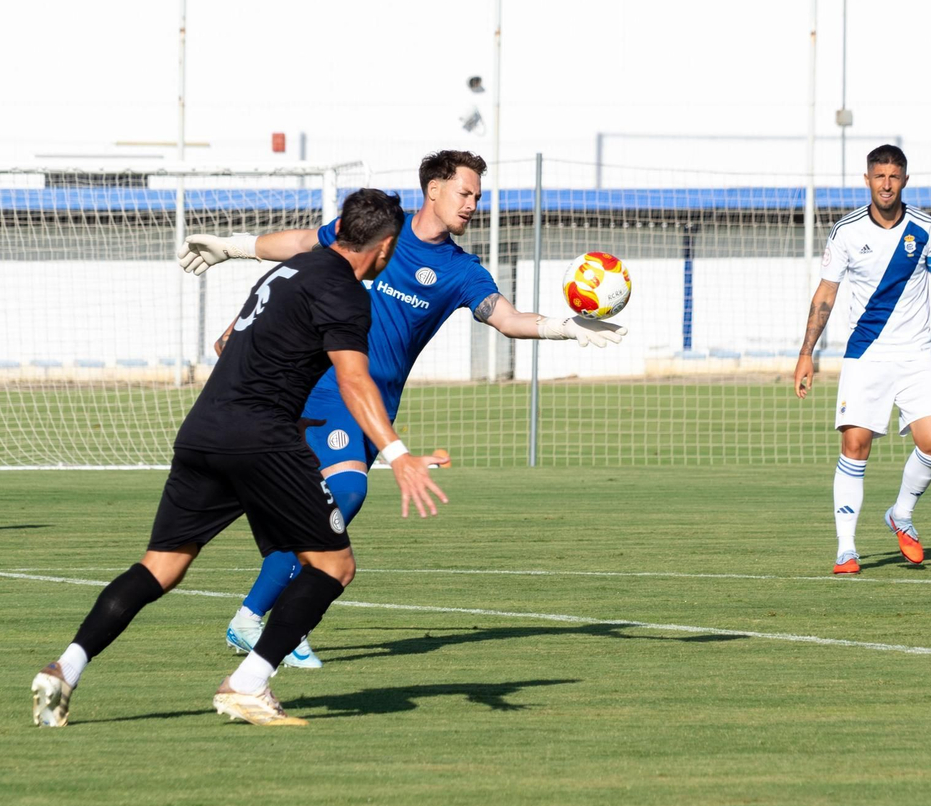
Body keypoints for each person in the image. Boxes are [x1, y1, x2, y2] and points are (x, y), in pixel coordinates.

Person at [178, 150, 628, 669]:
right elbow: (303, 243)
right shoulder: (381, 232)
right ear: (433, 190)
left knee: (319, 513)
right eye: (465, 192)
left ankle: (252, 618)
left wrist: (564, 327)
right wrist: (231, 248)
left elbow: (505, 318)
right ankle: (269, 623)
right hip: (328, 386)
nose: (472, 204)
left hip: (377, 407)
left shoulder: (460, 270)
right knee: (344, 492)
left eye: (478, 196)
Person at [30, 189, 448, 728]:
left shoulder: (288, 271)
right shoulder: (347, 293)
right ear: (386, 246)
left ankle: (65, 668)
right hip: (261, 439)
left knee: (162, 565)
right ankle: (247, 684)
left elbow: (229, 343)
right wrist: (398, 453)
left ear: (340, 227)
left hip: (204, 430)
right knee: (334, 565)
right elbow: (353, 377)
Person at [792, 145, 931, 575]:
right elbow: (826, 294)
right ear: (867, 180)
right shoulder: (846, 231)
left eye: (894, 176)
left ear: (905, 179)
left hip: (915, 355)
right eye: (879, 176)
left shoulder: (926, 229)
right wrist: (806, 353)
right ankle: (846, 549)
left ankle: (900, 513)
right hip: (865, 355)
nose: (886, 184)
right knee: (856, 447)